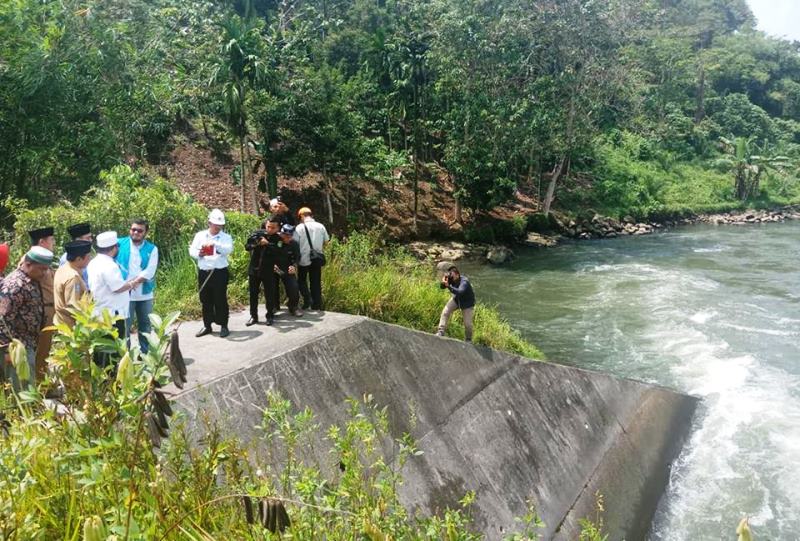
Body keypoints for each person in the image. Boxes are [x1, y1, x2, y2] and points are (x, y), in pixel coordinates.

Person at [0, 246, 52, 389]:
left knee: (26, 385)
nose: (44, 273)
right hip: (16, 349)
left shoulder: (30, 278)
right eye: (42, 269)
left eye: (46, 269)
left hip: (27, 343)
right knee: (23, 389)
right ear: (28, 264)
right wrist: (6, 351)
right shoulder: (14, 285)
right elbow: (3, 319)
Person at [87, 231, 140, 341]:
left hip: (99, 312)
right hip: (112, 315)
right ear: (114, 248)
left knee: (102, 348)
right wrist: (132, 284)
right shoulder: (109, 265)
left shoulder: (94, 262)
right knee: (115, 348)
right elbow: (117, 288)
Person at [189, 209, 233, 338]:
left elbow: (227, 250)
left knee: (220, 299)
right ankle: (207, 325)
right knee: (205, 299)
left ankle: (223, 325)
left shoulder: (226, 237)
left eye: (220, 225)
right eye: (215, 224)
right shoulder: (200, 235)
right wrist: (200, 253)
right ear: (209, 223)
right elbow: (192, 250)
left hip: (219, 272)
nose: (218, 227)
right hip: (204, 272)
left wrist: (216, 245)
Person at [116, 219, 159, 353]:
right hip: (124, 294)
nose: (136, 232)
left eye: (140, 230)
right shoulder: (119, 244)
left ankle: (145, 354)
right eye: (133, 229)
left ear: (146, 232)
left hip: (144, 294)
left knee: (145, 326)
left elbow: (150, 271)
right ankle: (125, 356)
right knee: (125, 326)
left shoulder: (152, 249)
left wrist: (134, 283)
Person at [29, 227, 57, 379]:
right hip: (42, 311)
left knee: (44, 350)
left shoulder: (42, 260)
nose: (53, 243)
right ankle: (39, 387)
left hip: (47, 310)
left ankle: (40, 383)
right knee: (41, 351)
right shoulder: (33, 261)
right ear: (42, 242)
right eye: (51, 240)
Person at [245, 219, 280, 326]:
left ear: (278, 228)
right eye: (268, 226)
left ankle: (270, 316)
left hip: (268, 271)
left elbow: (278, 251)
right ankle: (253, 316)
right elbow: (247, 247)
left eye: (273, 227)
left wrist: (267, 243)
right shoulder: (258, 234)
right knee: (253, 294)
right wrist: (256, 243)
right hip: (254, 270)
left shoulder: (278, 239)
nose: (269, 229)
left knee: (269, 294)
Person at [293, 207, 329, 310]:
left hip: (303, 259)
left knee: (301, 281)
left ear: (301, 216)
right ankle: (317, 305)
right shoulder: (321, 226)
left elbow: (295, 243)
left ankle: (307, 299)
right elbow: (326, 242)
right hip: (316, 259)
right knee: (316, 282)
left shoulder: (299, 227)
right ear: (311, 215)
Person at [53, 240, 92, 328]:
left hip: (62, 323)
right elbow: (73, 307)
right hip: (71, 329)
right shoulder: (73, 278)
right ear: (78, 259)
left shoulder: (62, 269)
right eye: (88, 257)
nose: (90, 259)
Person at [436, 265, 475, 342]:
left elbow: (460, 292)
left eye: (452, 276)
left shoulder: (464, 282)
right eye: (450, 275)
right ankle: (441, 331)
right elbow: (442, 287)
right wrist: (444, 282)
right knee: (445, 312)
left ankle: (468, 339)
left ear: (458, 275)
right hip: (456, 300)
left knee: (468, 324)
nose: (451, 278)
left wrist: (449, 286)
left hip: (467, 304)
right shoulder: (451, 279)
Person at [275, 223, 302, 318]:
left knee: (294, 287)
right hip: (274, 268)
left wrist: (294, 266)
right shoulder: (275, 241)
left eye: (290, 236)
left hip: (287, 269)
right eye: (286, 236)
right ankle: (274, 306)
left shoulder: (294, 243)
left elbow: (298, 257)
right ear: (281, 234)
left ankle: (293, 307)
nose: (288, 239)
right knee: (272, 287)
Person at [59, 222, 92, 287]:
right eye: (87, 238)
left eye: (91, 237)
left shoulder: (86, 254)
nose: (90, 240)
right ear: (78, 240)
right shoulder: (66, 258)